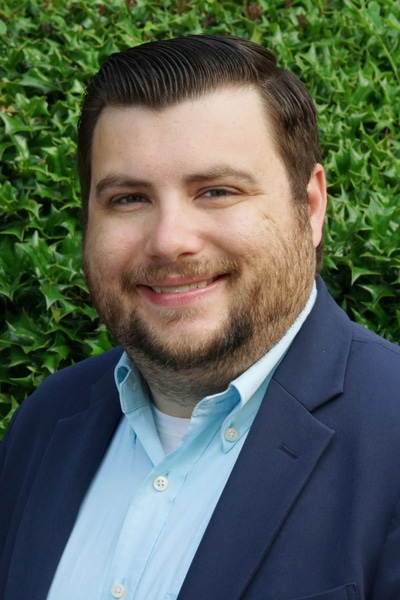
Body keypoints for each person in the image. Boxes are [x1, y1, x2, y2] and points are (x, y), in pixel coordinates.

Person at [1, 34, 400, 600]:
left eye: (216, 191)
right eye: (129, 199)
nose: (169, 242)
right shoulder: (44, 423)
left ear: (309, 206)